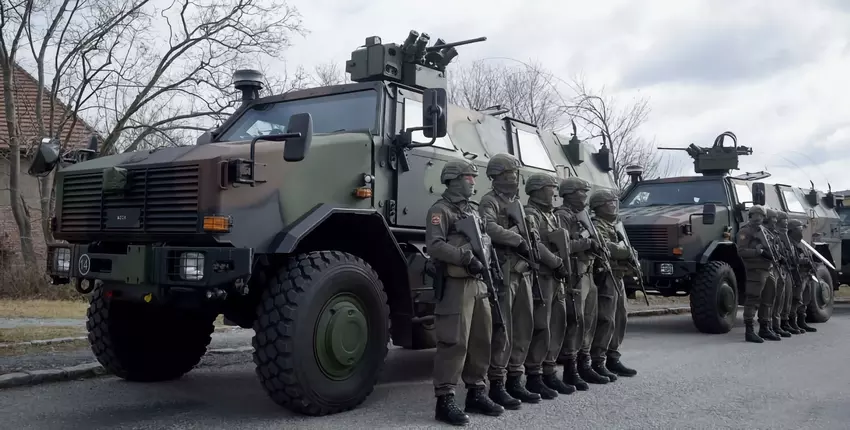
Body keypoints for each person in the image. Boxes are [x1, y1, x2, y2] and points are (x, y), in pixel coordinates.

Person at [426, 160, 504, 426]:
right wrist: (465, 257)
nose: (473, 182)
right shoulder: (441, 210)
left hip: (479, 282)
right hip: (456, 284)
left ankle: (476, 392)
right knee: (454, 341)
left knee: (481, 339)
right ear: (455, 179)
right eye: (469, 177)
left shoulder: (473, 209)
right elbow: (435, 245)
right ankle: (445, 399)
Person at [478, 153, 540, 408]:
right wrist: (517, 238)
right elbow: (488, 228)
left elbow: (531, 232)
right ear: (497, 176)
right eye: (509, 174)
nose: (514, 178)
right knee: (504, 328)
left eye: (515, 173)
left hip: (523, 271)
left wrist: (531, 236)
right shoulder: (489, 201)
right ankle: (497, 382)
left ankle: (516, 378)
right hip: (504, 271)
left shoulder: (518, 204)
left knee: (524, 326)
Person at [554, 177, 609, 389]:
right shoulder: (563, 216)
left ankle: (584, 362)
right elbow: (563, 245)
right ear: (569, 193)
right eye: (581, 191)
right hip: (575, 273)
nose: (585, 195)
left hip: (587, 271)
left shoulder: (582, 215)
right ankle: (571, 367)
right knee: (575, 321)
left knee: (589, 320)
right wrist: (587, 243)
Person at [522, 173, 574, 399]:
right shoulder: (531, 213)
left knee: (557, 323)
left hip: (556, 278)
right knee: (542, 326)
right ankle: (534, 374)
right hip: (542, 276)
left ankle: (550, 370)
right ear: (537, 190)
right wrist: (556, 263)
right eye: (550, 188)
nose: (554, 192)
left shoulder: (551, 215)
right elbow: (535, 244)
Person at [588, 189, 638, 379]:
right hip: (606, 275)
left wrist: (631, 254)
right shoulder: (596, 225)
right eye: (610, 202)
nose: (614, 205)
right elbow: (607, 248)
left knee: (620, 316)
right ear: (599, 206)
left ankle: (613, 357)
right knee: (606, 318)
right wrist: (626, 252)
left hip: (618, 275)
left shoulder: (615, 225)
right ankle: (598, 359)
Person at [736, 205, 780, 343]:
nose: (759, 218)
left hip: (768, 268)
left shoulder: (764, 231)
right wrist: (758, 252)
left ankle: (764, 328)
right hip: (755, 270)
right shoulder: (745, 231)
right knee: (753, 300)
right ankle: (749, 331)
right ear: (751, 215)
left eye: (761, 215)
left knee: (768, 299)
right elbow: (741, 251)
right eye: (756, 215)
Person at [786, 219, 818, 333]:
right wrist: (803, 261)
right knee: (796, 299)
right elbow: (791, 260)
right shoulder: (788, 243)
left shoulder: (801, 244)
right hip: (797, 275)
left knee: (805, 299)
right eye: (799, 229)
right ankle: (792, 321)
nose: (801, 232)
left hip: (806, 275)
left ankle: (801, 321)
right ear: (792, 231)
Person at [765, 208, 791, 337]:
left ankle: (777, 325)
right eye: (774, 220)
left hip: (779, 268)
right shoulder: (764, 233)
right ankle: (769, 326)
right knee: (771, 298)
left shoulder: (777, 235)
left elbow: (784, 250)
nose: (775, 222)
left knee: (780, 297)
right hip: (770, 268)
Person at [775, 211, 802, 334]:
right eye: (783, 222)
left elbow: (791, 255)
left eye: (786, 222)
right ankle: (778, 324)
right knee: (780, 299)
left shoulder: (787, 238)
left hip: (789, 270)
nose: (785, 224)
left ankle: (786, 321)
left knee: (789, 297)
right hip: (780, 270)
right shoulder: (776, 236)